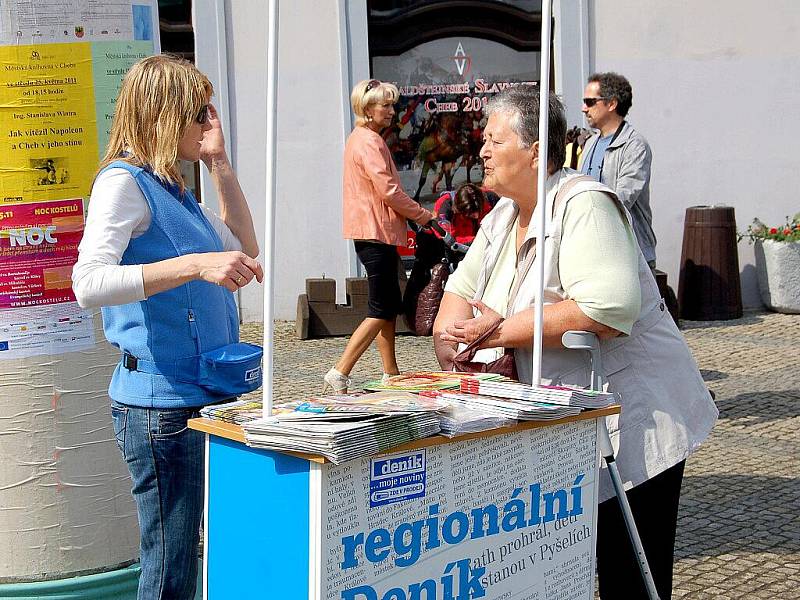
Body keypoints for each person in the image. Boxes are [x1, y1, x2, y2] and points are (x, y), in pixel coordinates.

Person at [433, 86, 718, 600]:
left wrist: (492, 332)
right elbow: (457, 298)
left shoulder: (583, 203)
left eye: (494, 140)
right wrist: (455, 338)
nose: (482, 151)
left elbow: (606, 309)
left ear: (537, 150)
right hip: (562, 425)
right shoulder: (500, 218)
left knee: (630, 574)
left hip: (632, 419)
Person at [71, 55, 262, 600]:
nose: (207, 122)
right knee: (170, 561)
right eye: (197, 112)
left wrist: (219, 161)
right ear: (164, 113)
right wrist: (194, 266)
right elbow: (89, 283)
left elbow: (245, 245)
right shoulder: (124, 184)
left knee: (188, 553)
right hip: (159, 403)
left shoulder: (175, 188)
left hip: (203, 394)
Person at [324, 79, 434, 393]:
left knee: (387, 304)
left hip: (373, 231)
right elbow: (389, 192)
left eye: (391, 104)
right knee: (381, 308)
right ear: (368, 109)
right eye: (385, 105)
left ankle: (391, 372)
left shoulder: (363, 138)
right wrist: (422, 214)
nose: (391, 110)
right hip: (375, 232)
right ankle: (340, 369)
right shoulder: (369, 141)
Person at [580, 72, 657, 268]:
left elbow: (623, 196)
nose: (584, 108)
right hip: (595, 250)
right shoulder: (590, 143)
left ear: (612, 104)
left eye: (589, 102)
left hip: (631, 253)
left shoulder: (634, 145)